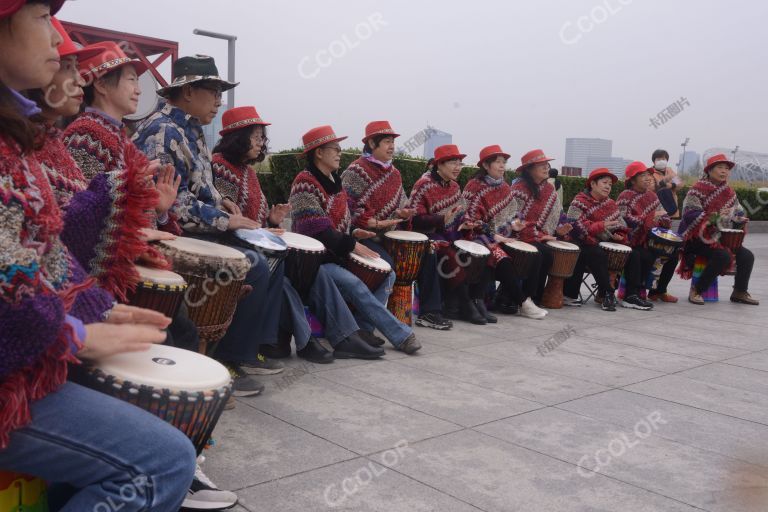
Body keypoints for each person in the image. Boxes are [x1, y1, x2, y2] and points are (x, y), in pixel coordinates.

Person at [23, 19, 236, 510]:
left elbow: (47, 246)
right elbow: (62, 234)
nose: (69, 68)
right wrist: (74, 328)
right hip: (28, 349)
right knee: (163, 448)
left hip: (64, 304)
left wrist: (92, 304)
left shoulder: (53, 138)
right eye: (68, 62)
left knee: (178, 326)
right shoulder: (87, 136)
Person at [211, 105, 385, 360]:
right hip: (239, 248)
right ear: (238, 138)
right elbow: (229, 219)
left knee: (316, 274)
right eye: (257, 137)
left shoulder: (248, 170)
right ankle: (307, 343)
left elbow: (252, 218)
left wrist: (271, 219)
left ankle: (344, 336)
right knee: (290, 280)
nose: (262, 143)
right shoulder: (221, 166)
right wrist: (262, 228)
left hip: (260, 243)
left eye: (262, 138)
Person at [290, 125, 421, 354]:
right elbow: (317, 231)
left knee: (387, 273)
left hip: (337, 254)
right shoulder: (305, 182)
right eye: (335, 148)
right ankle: (401, 336)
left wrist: (353, 233)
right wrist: (352, 243)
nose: (340, 152)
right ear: (319, 152)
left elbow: (341, 223)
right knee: (355, 285)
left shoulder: (334, 181)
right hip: (315, 261)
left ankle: (363, 331)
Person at [342, 121, 451, 331]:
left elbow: (402, 204)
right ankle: (365, 322)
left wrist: (404, 213)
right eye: (386, 142)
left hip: (389, 235)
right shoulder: (355, 171)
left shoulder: (395, 173)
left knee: (427, 250)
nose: (391, 146)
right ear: (371, 143)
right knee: (387, 263)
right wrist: (369, 222)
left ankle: (430, 312)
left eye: (393, 142)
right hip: (363, 236)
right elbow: (346, 207)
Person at [408, 144, 493, 324]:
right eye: (453, 163)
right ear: (439, 164)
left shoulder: (455, 187)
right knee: (451, 255)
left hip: (451, 235)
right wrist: (440, 219)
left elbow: (460, 214)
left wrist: (466, 223)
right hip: (429, 236)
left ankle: (467, 301)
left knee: (483, 249)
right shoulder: (423, 185)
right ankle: (464, 304)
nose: (458, 168)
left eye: (460, 163)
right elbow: (415, 219)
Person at [462, 145, 546, 319]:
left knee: (535, 255)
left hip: (503, 236)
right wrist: (494, 235)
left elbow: (515, 215)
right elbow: (470, 220)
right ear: (486, 165)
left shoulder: (506, 188)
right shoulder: (474, 186)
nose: (502, 166)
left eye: (504, 162)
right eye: (498, 162)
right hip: (479, 237)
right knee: (503, 259)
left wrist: (514, 225)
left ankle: (522, 298)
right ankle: (523, 303)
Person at [678, 154, 759, 305]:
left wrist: (738, 218)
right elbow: (690, 215)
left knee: (747, 256)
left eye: (727, 168)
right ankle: (697, 290)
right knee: (723, 256)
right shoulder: (696, 190)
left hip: (720, 237)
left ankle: (739, 291)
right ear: (709, 170)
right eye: (720, 167)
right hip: (698, 238)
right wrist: (715, 216)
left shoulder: (729, 192)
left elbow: (739, 211)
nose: (724, 171)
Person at [502, 149, 571, 312]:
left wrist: (560, 230)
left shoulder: (549, 190)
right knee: (539, 253)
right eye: (541, 165)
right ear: (529, 169)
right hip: (516, 236)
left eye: (547, 164)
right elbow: (511, 218)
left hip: (536, 236)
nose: (546, 167)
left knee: (547, 253)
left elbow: (557, 215)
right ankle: (523, 298)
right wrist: (539, 236)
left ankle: (534, 297)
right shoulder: (519, 189)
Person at [563, 168, 629, 312]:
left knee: (633, 254)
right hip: (580, 241)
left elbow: (622, 225)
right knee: (595, 252)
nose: (608, 187)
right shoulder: (579, 201)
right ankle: (608, 293)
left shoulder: (610, 204)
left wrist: (618, 235)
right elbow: (574, 226)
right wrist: (600, 226)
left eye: (610, 184)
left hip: (599, 244)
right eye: (604, 182)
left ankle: (629, 295)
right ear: (592, 184)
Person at [617, 161, 678, 305]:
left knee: (674, 254)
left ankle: (658, 291)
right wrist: (648, 219)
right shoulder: (625, 195)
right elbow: (623, 220)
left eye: (648, 175)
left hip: (649, 238)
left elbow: (664, 216)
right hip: (631, 240)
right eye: (642, 175)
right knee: (641, 254)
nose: (648, 178)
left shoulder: (652, 196)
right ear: (632, 180)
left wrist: (661, 220)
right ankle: (633, 293)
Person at [650, 149, 680, 216]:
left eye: (663, 159)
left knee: (674, 225)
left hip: (673, 207)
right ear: (654, 161)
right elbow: (650, 188)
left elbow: (679, 184)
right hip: (658, 209)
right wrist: (662, 184)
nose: (661, 161)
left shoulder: (670, 170)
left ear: (667, 160)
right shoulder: (650, 172)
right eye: (658, 159)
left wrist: (672, 185)